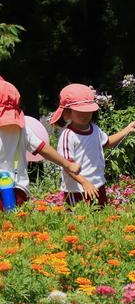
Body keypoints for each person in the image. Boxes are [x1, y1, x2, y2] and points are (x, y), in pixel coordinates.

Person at [49, 83, 135, 207]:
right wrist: (84, 182)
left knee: (100, 222)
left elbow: (106, 142)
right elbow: (67, 165)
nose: (85, 115)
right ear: (67, 113)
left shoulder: (95, 129)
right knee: (80, 221)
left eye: (88, 111)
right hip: (77, 190)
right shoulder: (68, 135)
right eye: (80, 111)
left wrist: (127, 130)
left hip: (98, 185)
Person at [0, 80, 87, 208]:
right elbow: (43, 148)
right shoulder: (21, 127)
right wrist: (67, 164)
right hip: (18, 190)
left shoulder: (22, 128)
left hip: (11, 191)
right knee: (16, 225)